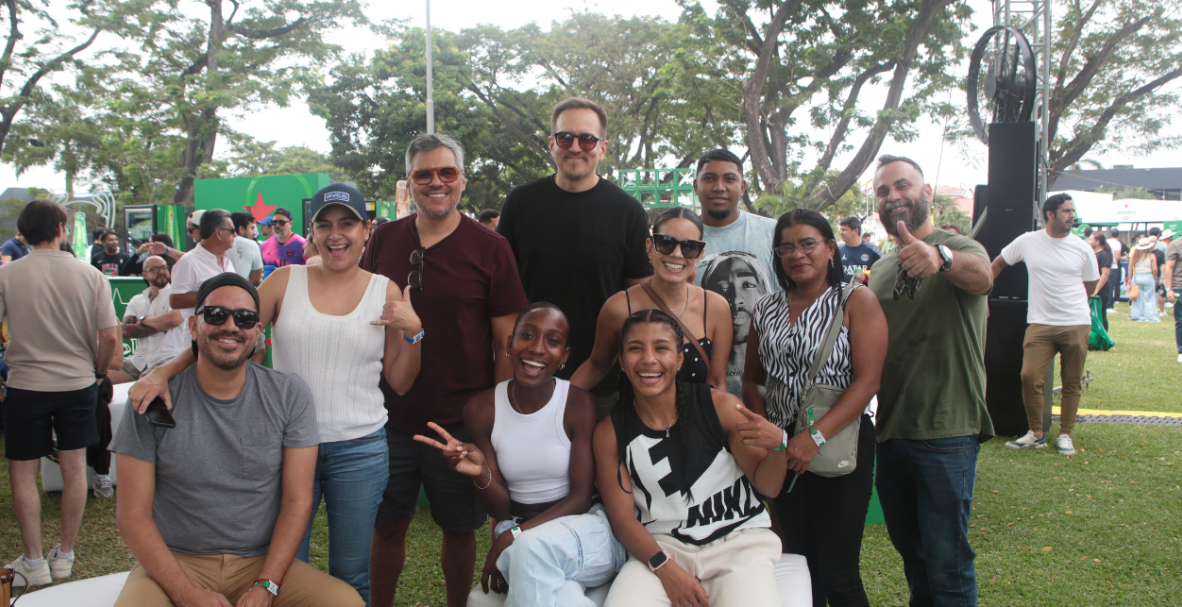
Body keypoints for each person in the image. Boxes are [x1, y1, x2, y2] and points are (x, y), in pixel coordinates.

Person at [131, 184, 423, 603]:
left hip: (359, 447)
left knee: (352, 571)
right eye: (325, 225)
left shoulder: (385, 291)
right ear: (313, 232)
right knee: (280, 566)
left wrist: (415, 332)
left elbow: (399, 381)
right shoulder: (285, 281)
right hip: (282, 444)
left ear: (366, 230)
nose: (336, 234)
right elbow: (229, 334)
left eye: (347, 224)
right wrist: (164, 371)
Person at [111, 273, 364, 607]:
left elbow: (297, 501)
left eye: (244, 318)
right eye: (216, 315)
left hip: (258, 562)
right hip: (178, 559)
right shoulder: (153, 399)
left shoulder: (288, 394)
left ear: (257, 332)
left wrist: (267, 585)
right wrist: (185, 594)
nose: (230, 326)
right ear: (192, 326)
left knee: (345, 603)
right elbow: (132, 514)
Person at [363, 133, 528, 607]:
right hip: (389, 418)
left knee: (459, 529)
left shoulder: (491, 248)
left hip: (460, 421)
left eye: (446, 172)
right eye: (424, 174)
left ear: (461, 178)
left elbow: (505, 343)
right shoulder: (384, 239)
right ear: (409, 183)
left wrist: (494, 423)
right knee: (388, 524)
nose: (436, 182)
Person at [418, 303, 623, 607]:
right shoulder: (482, 409)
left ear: (564, 357)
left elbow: (580, 498)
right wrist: (482, 475)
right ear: (509, 345)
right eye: (527, 335)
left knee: (529, 552)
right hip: (517, 525)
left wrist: (515, 535)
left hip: (582, 529)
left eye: (552, 341)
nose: (538, 348)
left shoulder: (578, 404)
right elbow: (500, 508)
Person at [741, 209, 887, 607]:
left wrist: (814, 436)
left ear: (829, 248)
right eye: (785, 247)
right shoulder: (767, 307)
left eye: (807, 243)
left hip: (838, 443)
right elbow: (753, 379)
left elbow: (868, 381)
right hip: (782, 449)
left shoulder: (857, 300)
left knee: (838, 572)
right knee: (799, 561)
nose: (796, 254)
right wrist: (767, 431)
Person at [866, 155, 994, 607]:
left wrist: (940, 258)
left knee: (948, 561)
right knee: (913, 556)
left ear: (927, 194)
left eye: (903, 186)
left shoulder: (960, 247)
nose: (893, 196)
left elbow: (981, 280)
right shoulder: (879, 270)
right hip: (892, 431)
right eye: (883, 191)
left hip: (946, 430)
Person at [593, 309, 787, 607]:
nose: (648, 359)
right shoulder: (610, 431)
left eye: (661, 347)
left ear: (680, 358)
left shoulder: (720, 406)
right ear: (620, 360)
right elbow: (622, 519)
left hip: (739, 542)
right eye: (635, 348)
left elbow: (768, 486)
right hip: (662, 547)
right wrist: (664, 567)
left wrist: (778, 448)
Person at [498, 97, 653, 413]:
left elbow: (641, 298)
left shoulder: (628, 211)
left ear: (603, 148)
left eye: (587, 139)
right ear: (552, 144)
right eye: (565, 137)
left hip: (602, 383)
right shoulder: (519, 202)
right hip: (527, 374)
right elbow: (500, 291)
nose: (576, 147)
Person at [0, 200, 120, 586]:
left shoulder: (7, 275)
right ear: (60, 227)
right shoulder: (89, 274)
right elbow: (110, 336)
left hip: (25, 385)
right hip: (77, 383)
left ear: (24, 232)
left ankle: (34, 561)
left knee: (23, 473)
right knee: (73, 469)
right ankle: (65, 555)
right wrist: (98, 369)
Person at [573, 207, 731, 392]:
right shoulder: (619, 307)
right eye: (666, 243)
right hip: (634, 419)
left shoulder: (715, 308)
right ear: (650, 245)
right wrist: (557, 405)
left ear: (700, 254)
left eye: (689, 247)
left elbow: (717, 383)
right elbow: (596, 366)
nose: (677, 254)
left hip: (697, 419)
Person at [993, 194, 1099, 456]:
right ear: (1050, 214)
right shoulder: (1028, 241)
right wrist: (982, 294)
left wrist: (1071, 304)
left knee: (1071, 382)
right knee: (1029, 376)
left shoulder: (1082, 247)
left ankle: (1065, 435)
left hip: (1076, 322)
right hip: (1040, 323)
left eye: (1072, 210)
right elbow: (997, 263)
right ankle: (1036, 433)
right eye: (1066, 211)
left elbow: (1091, 285)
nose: (1071, 215)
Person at [691, 149, 780, 397]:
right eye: (709, 178)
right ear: (695, 185)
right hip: (700, 396)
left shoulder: (772, 233)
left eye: (729, 179)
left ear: (742, 187)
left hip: (771, 396)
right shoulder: (682, 239)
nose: (719, 187)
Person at [170, 209, 238, 357]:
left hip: (226, 337)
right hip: (198, 342)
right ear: (218, 233)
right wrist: (216, 294)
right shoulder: (188, 261)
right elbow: (175, 300)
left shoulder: (227, 260)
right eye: (232, 230)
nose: (235, 234)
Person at [109, 256, 185, 385]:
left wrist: (143, 321)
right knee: (101, 379)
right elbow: (127, 331)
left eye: (164, 268)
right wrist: (162, 323)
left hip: (168, 358)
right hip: (138, 360)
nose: (161, 272)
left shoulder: (177, 295)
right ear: (144, 274)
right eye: (155, 269)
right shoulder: (137, 300)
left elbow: (173, 320)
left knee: (145, 383)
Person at [838, 216, 881, 285]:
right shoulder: (838, 250)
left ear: (856, 231)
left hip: (865, 293)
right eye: (841, 230)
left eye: (844, 230)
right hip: (844, 293)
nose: (841, 233)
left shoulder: (872, 250)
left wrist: (866, 275)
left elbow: (882, 270)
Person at [1127, 237, 1159, 322]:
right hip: (1148, 276)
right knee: (1149, 297)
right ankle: (1150, 316)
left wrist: (1130, 278)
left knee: (1137, 298)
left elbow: (1130, 267)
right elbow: (1155, 269)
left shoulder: (1135, 255)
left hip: (1137, 276)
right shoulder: (1151, 255)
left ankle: (1137, 315)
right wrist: (1154, 277)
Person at [230, 211, 264, 285]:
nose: (254, 233)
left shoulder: (218, 243)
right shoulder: (252, 244)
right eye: (252, 228)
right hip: (242, 291)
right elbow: (255, 279)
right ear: (241, 229)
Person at [1088, 233, 1114, 331]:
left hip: (1101, 289)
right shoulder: (1092, 253)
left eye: (1091, 239)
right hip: (1092, 286)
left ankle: (1104, 336)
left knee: (1101, 314)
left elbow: (1105, 274)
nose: (1089, 241)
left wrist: (1096, 290)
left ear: (1097, 242)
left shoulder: (1104, 255)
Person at [1165, 232, 1182, 362]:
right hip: (1179, 286)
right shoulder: (1175, 244)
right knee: (1181, 320)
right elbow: (1169, 268)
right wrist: (1169, 289)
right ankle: (1181, 351)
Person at [1107, 228, 1124, 310]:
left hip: (1105, 265)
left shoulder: (1106, 242)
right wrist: (1123, 258)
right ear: (1119, 235)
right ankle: (1109, 305)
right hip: (1113, 266)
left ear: (1110, 234)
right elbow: (1117, 257)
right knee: (1111, 286)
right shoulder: (1117, 243)